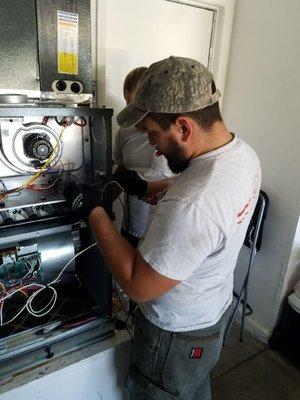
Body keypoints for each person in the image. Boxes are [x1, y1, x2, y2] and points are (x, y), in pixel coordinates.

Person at [64, 56, 261, 399]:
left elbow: (139, 286)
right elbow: (205, 198)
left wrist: (93, 210)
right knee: (191, 389)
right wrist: (146, 187)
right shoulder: (241, 155)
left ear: (184, 127)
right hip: (209, 317)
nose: (151, 145)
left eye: (153, 134)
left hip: (172, 336)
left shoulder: (192, 203)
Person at [114, 66, 174, 248]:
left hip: (165, 229)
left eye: (140, 109)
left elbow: (193, 182)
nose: (137, 118)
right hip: (132, 225)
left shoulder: (175, 135)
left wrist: (153, 188)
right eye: (129, 106)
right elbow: (122, 168)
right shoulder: (124, 132)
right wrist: (102, 200)